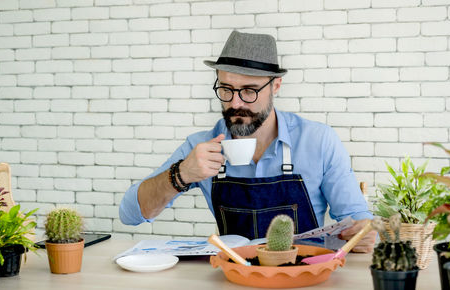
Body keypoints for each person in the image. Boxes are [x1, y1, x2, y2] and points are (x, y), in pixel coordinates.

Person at [120, 31, 376, 252]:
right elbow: (130, 214)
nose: (235, 103)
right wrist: (181, 173)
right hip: (233, 276)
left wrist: (363, 233)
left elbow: (358, 222)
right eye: (226, 89)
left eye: (249, 91)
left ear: (276, 85)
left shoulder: (318, 141)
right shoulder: (200, 146)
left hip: (304, 275)